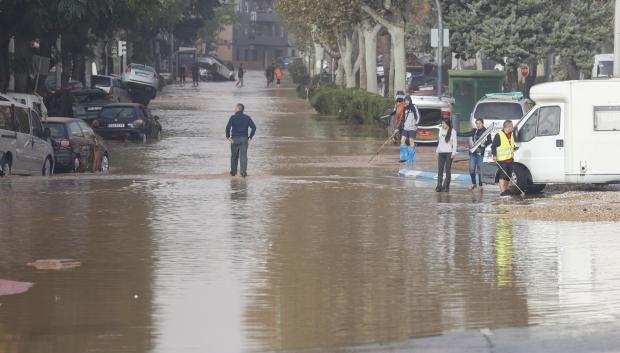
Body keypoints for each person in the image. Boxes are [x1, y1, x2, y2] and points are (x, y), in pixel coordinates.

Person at [226, 103, 256, 177]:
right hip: (244, 139)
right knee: (243, 156)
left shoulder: (233, 117)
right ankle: (243, 174)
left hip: (234, 139)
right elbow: (254, 127)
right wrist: (250, 137)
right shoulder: (247, 117)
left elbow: (227, 127)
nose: (234, 109)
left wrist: (228, 137)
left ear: (238, 109)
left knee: (234, 156)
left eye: (235, 107)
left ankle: (233, 173)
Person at [491, 120, 516, 197]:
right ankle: (502, 192)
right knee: (502, 176)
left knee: (508, 176)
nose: (512, 128)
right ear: (508, 127)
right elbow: (493, 146)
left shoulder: (511, 135)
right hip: (502, 160)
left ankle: (505, 190)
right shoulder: (499, 135)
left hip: (510, 159)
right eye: (511, 126)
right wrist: (494, 155)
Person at [468, 118, 491, 189]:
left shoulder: (486, 132)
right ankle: (473, 183)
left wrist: (485, 143)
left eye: (479, 123)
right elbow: (468, 135)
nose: (478, 125)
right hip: (473, 153)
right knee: (471, 169)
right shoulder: (475, 131)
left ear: (483, 124)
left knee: (480, 169)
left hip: (480, 153)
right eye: (477, 123)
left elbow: (490, 140)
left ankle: (480, 184)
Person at [435, 118, 457, 192]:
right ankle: (439, 185)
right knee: (440, 170)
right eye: (442, 123)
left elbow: (455, 144)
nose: (442, 125)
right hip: (441, 152)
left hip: (449, 153)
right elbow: (440, 142)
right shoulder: (441, 130)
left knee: (447, 170)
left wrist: (453, 153)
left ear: (447, 124)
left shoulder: (453, 131)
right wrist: (437, 151)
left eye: (443, 123)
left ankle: (447, 186)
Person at [400, 95, 420, 163]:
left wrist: (416, 124)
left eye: (407, 100)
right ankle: (403, 158)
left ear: (409, 100)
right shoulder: (405, 108)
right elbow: (403, 118)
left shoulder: (414, 106)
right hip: (406, 127)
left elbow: (418, 116)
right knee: (402, 140)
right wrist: (400, 126)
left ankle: (410, 159)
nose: (406, 102)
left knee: (411, 141)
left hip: (412, 128)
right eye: (405, 101)